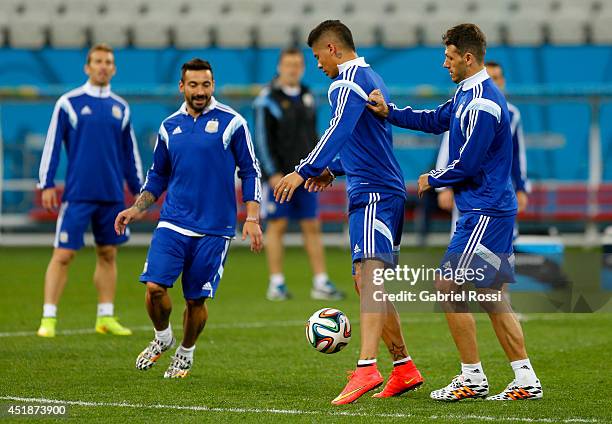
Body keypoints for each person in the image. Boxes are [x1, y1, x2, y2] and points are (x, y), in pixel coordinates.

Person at [368, 23, 543, 401]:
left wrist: (433, 177)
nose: (443, 63)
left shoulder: (482, 102)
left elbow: (468, 164)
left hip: (484, 210)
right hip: (487, 209)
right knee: (493, 295)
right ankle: (525, 377)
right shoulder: (467, 94)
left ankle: (472, 377)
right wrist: (390, 112)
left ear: (467, 57)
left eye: (448, 57)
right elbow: (433, 120)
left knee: (448, 287)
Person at [274, 20, 424, 405]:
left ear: (331, 49)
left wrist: (302, 169)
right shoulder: (371, 76)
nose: (317, 65)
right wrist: (333, 169)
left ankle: (366, 367)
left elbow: (338, 129)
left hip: (374, 193)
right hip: (378, 188)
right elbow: (365, 140)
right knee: (365, 279)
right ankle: (403, 366)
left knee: (368, 276)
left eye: (316, 56)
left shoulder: (345, 82)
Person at [114, 58, 263, 379]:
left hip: (215, 228)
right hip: (173, 222)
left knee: (195, 300)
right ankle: (163, 336)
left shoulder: (233, 123)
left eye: (205, 85)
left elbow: (250, 170)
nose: (200, 91)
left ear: (213, 85)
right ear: (182, 86)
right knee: (154, 287)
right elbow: (157, 177)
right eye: (193, 85)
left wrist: (252, 216)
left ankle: (186, 351)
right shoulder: (169, 127)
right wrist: (135, 208)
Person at [36, 43, 143, 338]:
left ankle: (105, 317)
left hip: (111, 196)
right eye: (97, 61)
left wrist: (139, 190)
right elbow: (52, 144)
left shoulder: (121, 107)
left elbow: (128, 154)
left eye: (108, 62)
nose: (103, 66)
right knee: (63, 254)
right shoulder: (69, 103)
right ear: (87, 67)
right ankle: (49, 318)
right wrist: (45, 182)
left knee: (108, 253)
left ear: (114, 68)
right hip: (78, 194)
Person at [253, 47, 344, 301]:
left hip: (306, 175)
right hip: (279, 176)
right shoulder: (266, 99)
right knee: (278, 225)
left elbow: (315, 136)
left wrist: (317, 167)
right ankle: (276, 283)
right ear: (280, 67)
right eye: (288, 64)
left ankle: (320, 282)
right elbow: (261, 140)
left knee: (312, 225)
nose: (292, 69)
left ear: (302, 68)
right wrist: (271, 173)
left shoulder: (308, 95)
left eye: (297, 65)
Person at [436, 61, 530, 233]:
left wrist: (522, 188)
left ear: (503, 82)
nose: (494, 83)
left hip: (500, 190)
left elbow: (517, 154)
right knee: (463, 243)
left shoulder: (512, 114)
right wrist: (444, 187)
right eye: (490, 78)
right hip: (468, 189)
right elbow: (448, 148)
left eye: (497, 78)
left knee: (500, 246)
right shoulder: (465, 106)